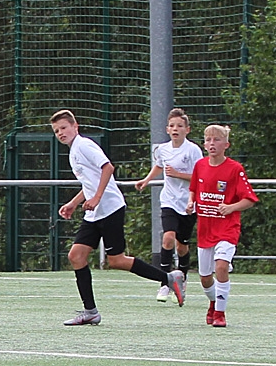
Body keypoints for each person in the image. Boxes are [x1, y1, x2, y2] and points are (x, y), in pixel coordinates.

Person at [52, 110, 183, 325]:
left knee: (117, 260)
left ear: (75, 126)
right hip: (95, 213)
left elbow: (108, 168)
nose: (60, 133)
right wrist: (74, 203)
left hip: (110, 208)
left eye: (64, 128)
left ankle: (168, 278)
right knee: (76, 256)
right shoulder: (74, 150)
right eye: (57, 131)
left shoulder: (84, 145)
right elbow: (91, 182)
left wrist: (97, 197)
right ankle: (91, 312)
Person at [187, 124, 258, 328]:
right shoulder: (200, 166)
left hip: (227, 229)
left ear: (226, 145)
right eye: (208, 140)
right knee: (205, 278)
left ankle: (220, 313)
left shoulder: (235, 169)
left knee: (221, 266)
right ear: (204, 144)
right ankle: (213, 302)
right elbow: (194, 189)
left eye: (217, 140)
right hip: (205, 230)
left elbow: (249, 199)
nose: (212, 144)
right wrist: (190, 203)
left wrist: (231, 207)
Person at [133, 107, 203, 303]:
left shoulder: (193, 150)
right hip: (169, 200)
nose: (175, 129)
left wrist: (178, 175)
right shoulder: (162, 149)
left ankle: (182, 279)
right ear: (167, 129)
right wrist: (146, 180)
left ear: (187, 130)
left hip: (188, 203)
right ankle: (165, 282)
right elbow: (159, 165)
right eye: (172, 126)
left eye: (179, 126)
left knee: (182, 247)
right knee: (168, 238)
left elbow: (200, 177)